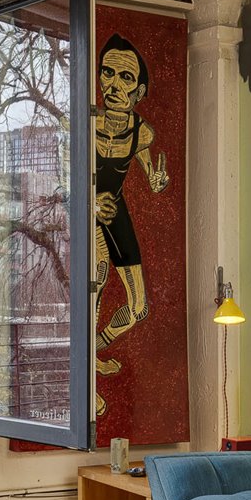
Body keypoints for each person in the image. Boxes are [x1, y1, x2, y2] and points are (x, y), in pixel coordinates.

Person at [92, 37, 168, 409]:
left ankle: (95, 347)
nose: (114, 86)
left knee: (139, 308)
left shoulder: (142, 132)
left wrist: (155, 181)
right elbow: (61, 179)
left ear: (138, 91)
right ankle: (85, 384)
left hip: (116, 211)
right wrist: (89, 202)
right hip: (89, 214)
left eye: (125, 78)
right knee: (96, 282)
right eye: (107, 73)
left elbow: (148, 167)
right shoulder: (83, 122)